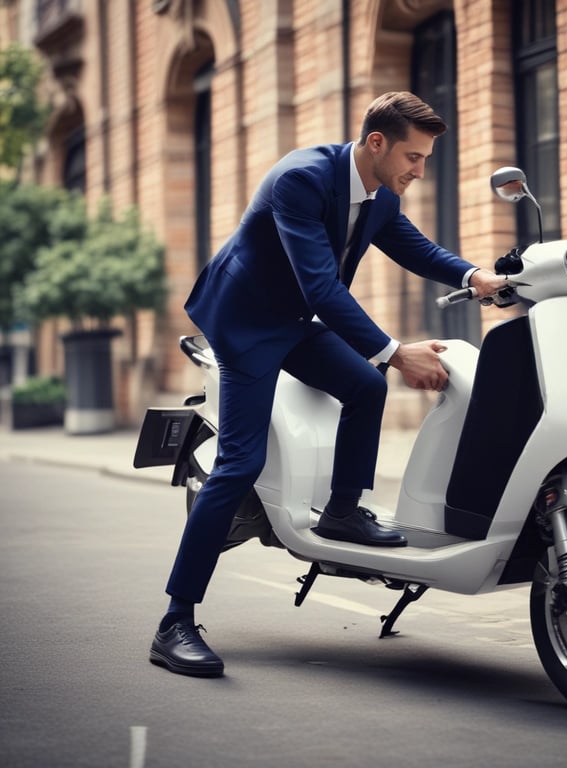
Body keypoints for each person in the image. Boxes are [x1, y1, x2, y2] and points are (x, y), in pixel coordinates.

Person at [149, 91, 508, 677]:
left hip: (293, 321)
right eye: (413, 158)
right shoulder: (301, 179)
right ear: (376, 143)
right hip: (246, 325)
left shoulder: (377, 194)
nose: (419, 171)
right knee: (240, 463)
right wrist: (395, 354)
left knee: (365, 390)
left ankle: (342, 513)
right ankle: (175, 621)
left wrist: (476, 275)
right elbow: (321, 287)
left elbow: (413, 245)